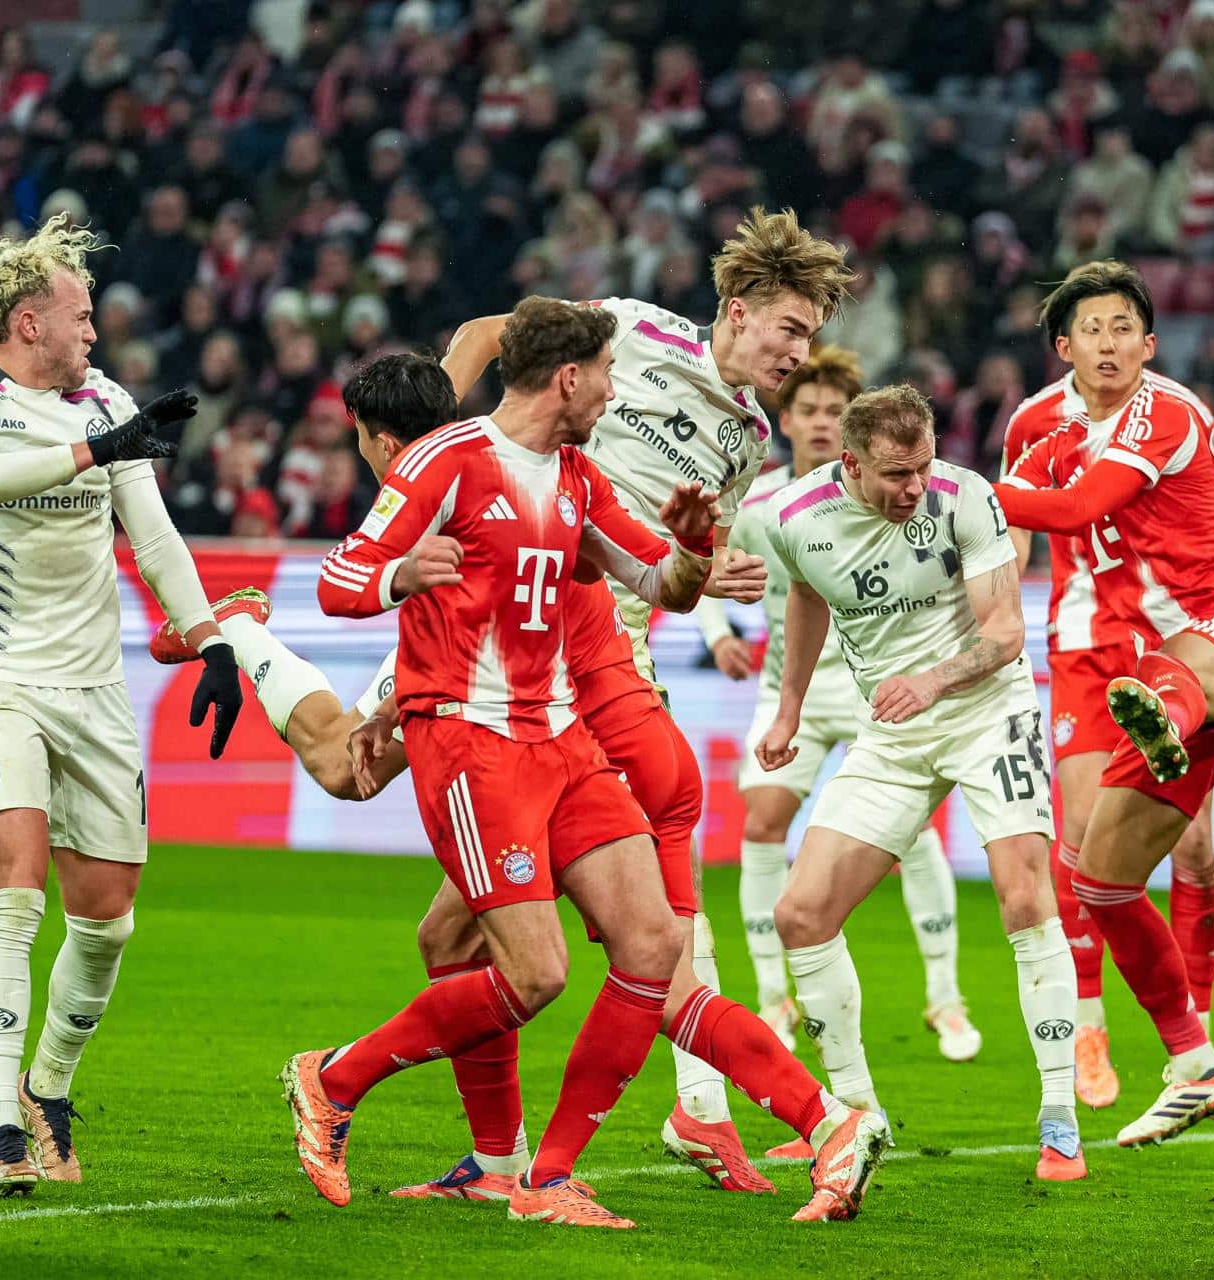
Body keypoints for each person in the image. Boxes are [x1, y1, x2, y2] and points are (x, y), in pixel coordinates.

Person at [282, 300, 887, 1229]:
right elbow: (340, 578)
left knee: (653, 946)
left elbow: (662, 585)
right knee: (537, 975)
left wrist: (688, 550)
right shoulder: (446, 461)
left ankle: (539, 1177)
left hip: (564, 740)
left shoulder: (578, 478)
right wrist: (401, 575)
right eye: (606, 373)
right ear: (571, 379)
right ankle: (333, 1080)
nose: (616, 388)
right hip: (473, 747)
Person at [437, 207, 856, 1184]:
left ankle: (589, 1132)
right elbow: (485, 337)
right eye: (790, 330)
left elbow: (666, 559)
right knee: (375, 808)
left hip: (602, 652)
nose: (801, 353)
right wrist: (428, 439)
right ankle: (496, 1136)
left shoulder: (748, 439)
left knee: (648, 891)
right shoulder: (630, 325)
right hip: (506, 618)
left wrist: (709, 577)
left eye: (812, 336)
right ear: (738, 311)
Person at [756, 385, 1086, 1185]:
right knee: (801, 914)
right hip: (894, 729)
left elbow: (1006, 634)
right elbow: (804, 595)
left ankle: (1060, 1120)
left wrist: (933, 680)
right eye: (897, 473)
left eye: (922, 467)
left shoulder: (964, 498)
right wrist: (789, 706)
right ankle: (850, 1112)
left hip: (984, 712)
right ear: (851, 463)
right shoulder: (793, 517)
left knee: (1022, 896)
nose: (914, 488)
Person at [995, 274, 1214, 1148]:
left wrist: (940, 488)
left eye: (1127, 328)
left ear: (1150, 346)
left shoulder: (1170, 411)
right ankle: (1194, 1063)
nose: (1113, 342)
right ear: (1065, 347)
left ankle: (1165, 710)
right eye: (1095, 329)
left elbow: (1080, 507)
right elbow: (1014, 538)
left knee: (1183, 792)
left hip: (1209, 625)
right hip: (1089, 637)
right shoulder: (1034, 426)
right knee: (1097, 876)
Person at [0, 215, 244, 1194]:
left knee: (105, 917)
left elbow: (154, 532)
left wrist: (213, 638)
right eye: (81, 315)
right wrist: (95, 450)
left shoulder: (105, 398)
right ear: (27, 322)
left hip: (96, 689)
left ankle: (47, 1087)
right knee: (12, 884)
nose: (95, 331)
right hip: (3, 677)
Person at [704, 347, 978, 1072]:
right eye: (811, 411)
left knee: (910, 837)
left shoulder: (895, 502)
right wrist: (717, 632)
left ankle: (945, 996)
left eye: (835, 412)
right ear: (785, 420)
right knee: (762, 821)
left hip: (872, 690)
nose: (823, 423)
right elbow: (704, 559)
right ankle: (772, 998)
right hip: (788, 686)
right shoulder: (764, 504)